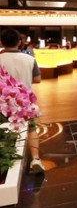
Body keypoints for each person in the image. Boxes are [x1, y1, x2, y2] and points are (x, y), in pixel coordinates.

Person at [0, 27, 44, 173]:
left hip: (3, 103)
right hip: (25, 101)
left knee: (5, 129)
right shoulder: (30, 59)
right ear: (19, 42)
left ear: (1, 42)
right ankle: (35, 159)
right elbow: (37, 79)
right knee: (31, 128)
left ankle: (8, 160)